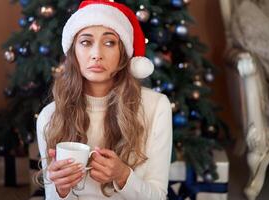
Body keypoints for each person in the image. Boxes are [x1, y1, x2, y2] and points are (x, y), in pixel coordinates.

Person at [36, 0, 172, 199]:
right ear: (73, 52)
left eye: (109, 43)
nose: (97, 54)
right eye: (86, 42)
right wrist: (61, 190)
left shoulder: (156, 106)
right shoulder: (50, 116)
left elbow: (158, 196)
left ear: (122, 54)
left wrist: (123, 176)